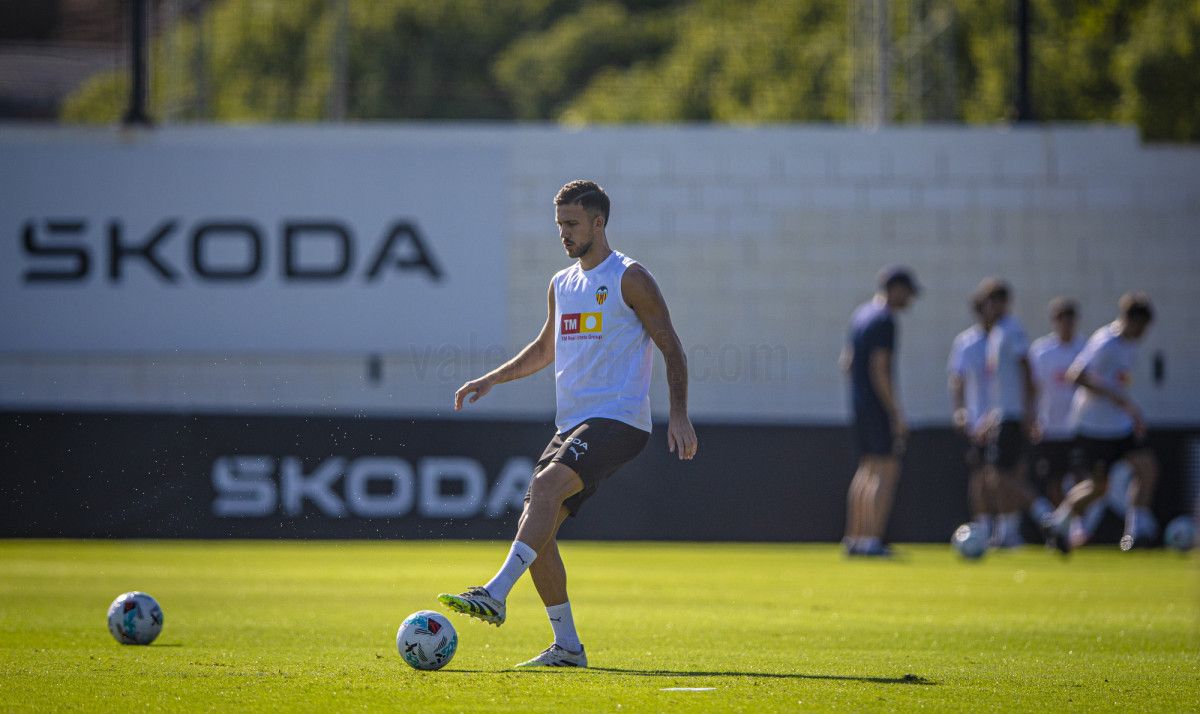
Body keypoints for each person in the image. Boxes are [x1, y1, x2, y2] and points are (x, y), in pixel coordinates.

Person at [437, 180, 698, 668]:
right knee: (538, 531)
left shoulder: (630, 277)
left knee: (544, 485)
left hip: (619, 419)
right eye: (559, 224)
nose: (564, 233)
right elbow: (545, 348)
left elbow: (671, 346)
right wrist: (492, 379)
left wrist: (679, 413)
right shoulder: (561, 282)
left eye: (572, 224)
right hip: (572, 425)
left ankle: (493, 593)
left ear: (599, 223)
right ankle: (567, 647)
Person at [1043, 292, 1159, 553]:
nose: (1143, 332)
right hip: (1093, 428)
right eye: (1141, 326)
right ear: (1130, 320)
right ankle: (1058, 522)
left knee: (1147, 468)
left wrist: (1131, 413)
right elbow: (1076, 376)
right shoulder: (1105, 342)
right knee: (1098, 488)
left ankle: (1135, 533)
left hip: (1119, 427)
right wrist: (1114, 397)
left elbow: (1120, 385)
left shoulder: (1130, 345)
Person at [841, 266, 919, 557]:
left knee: (867, 470)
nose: (909, 300)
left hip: (860, 405)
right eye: (908, 293)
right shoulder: (884, 319)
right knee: (886, 470)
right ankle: (872, 540)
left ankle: (854, 538)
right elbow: (879, 368)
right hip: (877, 407)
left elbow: (847, 363)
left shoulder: (860, 315)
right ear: (895, 288)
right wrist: (895, 413)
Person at [978, 278, 1053, 547]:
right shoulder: (997, 332)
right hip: (1003, 414)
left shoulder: (1011, 330)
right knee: (1001, 475)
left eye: (992, 301)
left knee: (1000, 474)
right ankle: (1007, 533)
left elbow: (1027, 371)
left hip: (1013, 415)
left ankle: (1045, 513)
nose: (988, 307)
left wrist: (1030, 412)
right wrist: (991, 415)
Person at [948, 296, 997, 541]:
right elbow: (957, 378)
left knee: (1006, 474)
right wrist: (960, 410)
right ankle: (983, 529)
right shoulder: (967, 343)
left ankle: (1008, 530)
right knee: (979, 475)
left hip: (1004, 418)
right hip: (977, 421)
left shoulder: (1009, 337)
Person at [1027, 298, 1085, 507]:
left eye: (1069, 319)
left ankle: (1078, 524)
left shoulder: (1084, 349)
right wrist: (1032, 418)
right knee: (1055, 480)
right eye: (1061, 319)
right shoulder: (1042, 351)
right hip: (1050, 428)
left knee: (1080, 477)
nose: (1065, 324)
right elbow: (1033, 388)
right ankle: (1061, 526)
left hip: (1078, 427)